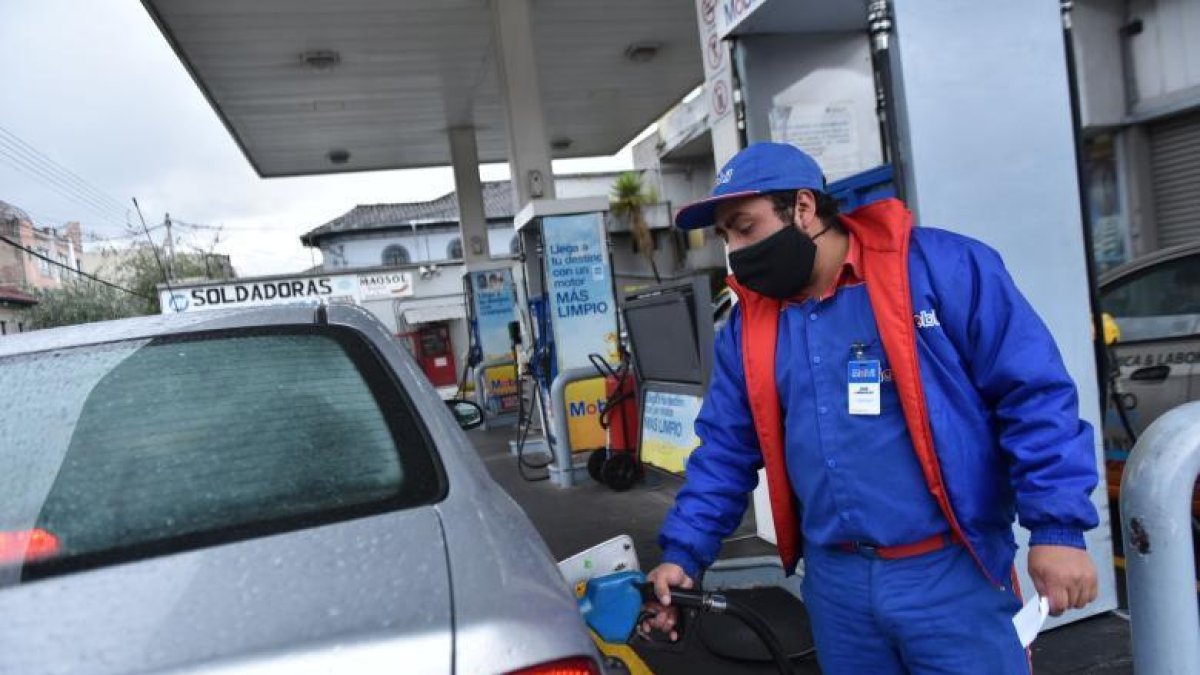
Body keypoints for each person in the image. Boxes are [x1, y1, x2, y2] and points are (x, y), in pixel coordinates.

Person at [642, 142, 1100, 674]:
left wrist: (1057, 529)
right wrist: (685, 554)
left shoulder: (940, 270)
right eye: (726, 237)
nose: (736, 251)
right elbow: (724, 452)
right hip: (837, 587)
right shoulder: (749, 328)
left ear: (805, 208)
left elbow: (1034, 394)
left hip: (949, 572)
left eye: (745, 227)